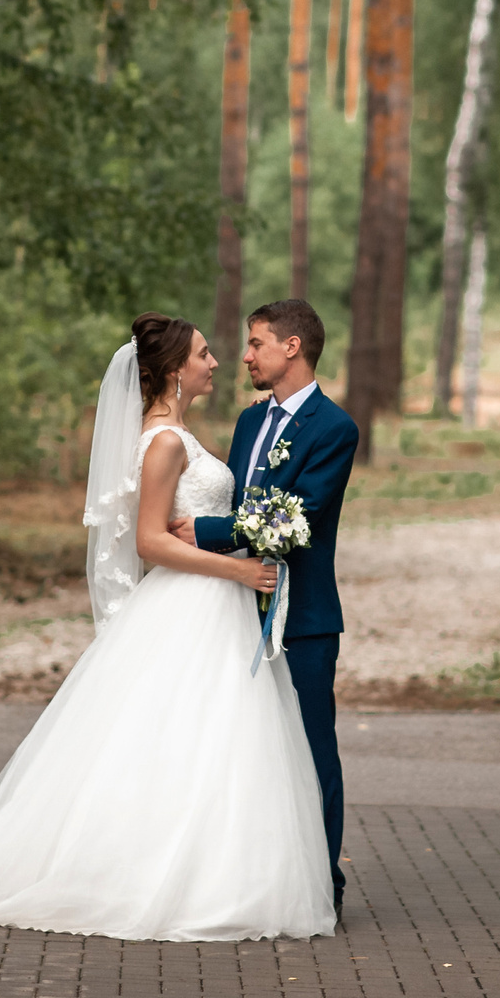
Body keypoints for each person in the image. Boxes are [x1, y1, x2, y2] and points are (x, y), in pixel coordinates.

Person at [0, 312, 335, 942]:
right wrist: (236, 573)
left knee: (200, 743)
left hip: (213, 606)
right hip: (198, 599)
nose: (218, 362)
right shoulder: (163, 442)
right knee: (188, 738)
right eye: (205, 354)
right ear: (175, 369)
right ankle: (163, 878)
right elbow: (152, 542)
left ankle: (213, 872)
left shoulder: (179, 433)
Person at [170, 299, 359, 905]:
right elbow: (237, 495)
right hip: (230, 611)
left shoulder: (336, 429)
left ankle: (323, 883)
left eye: (255, 343)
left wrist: (204, 532)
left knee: (311, 752)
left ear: (292, 348)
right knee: (246, 750)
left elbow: (295, 518)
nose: (244, 356)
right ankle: (256, 877)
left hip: (300, 617)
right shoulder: (251, 422)